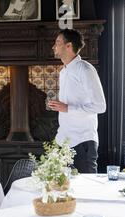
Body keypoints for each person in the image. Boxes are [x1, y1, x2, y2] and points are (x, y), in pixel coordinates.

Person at [48, 29, 106, 173]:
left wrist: (67, 108)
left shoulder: (85, 70)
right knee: (62, 190)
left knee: (87, 189)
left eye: (57, 43)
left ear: (69, 46)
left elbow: (100, 106)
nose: (54, 47)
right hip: (63, 140)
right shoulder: (63, 71)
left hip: (83, 140)